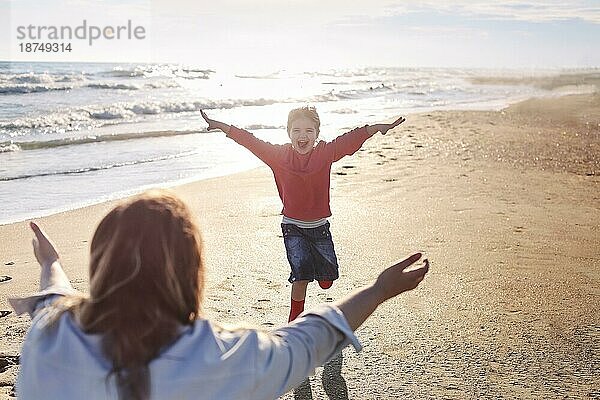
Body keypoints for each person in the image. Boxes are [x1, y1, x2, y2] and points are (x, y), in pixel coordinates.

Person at [10, 190, 429, 400]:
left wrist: (50, 260)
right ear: (192, 271)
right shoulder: (226, 358)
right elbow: (310, 337)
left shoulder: (47, 334)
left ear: (102, 265)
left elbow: (54, 293)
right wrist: (378, 290)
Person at [201, 107, 406, 322]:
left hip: (320, 228)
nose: (302, 136)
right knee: (301, 277)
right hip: (292, 227)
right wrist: (220, 126)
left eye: (309, 131)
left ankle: (322, 275)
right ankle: (294, 322)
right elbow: (249, 140)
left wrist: (375, 128)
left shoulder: (325, 153)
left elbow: (350, 139)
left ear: (317, 134)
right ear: (288, 133)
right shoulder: (278, 156)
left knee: (327, 279)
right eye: (296, 130)